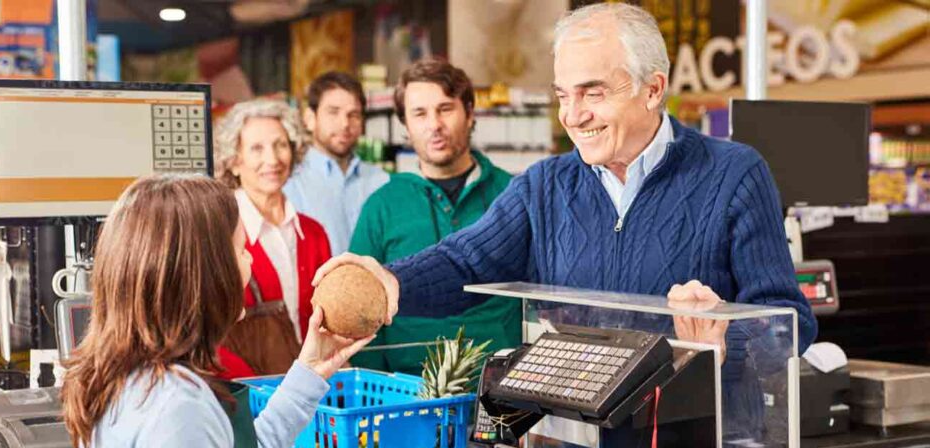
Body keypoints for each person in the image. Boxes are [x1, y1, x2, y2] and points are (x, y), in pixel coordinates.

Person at [317, 3, 816, 365]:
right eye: (562, 95)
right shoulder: (544, 186)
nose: (573, 116)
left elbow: (791, 320)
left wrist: (731, 334)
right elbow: (465, 261)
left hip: (695, 445)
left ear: (653, 89)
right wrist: (392, 280)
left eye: (592, 92)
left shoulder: (734, 175)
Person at [58, 174, 446, 448]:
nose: (250, 264)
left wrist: (312, 369)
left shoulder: (137, 372)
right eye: (242, 249)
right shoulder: (177, 407)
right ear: (208, 273)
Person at [348, 58, 522, 374]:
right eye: (419, 113)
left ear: (470, 113)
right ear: (406, 126)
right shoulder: (381, 206)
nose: (434, 124)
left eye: (445, 109)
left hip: (501, 385)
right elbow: (362, 309)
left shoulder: (513, 194)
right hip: (407, 391)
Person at [214, 99, 333, 378]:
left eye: (281, 145)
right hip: (245, 394)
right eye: (256, 148)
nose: (273, 159)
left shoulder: (313, 233)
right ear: (233, 161)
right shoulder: (217, 233)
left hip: (314, 389)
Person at [283, 71, 389, 255]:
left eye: (353, 114)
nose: (344, 124)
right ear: (310, 119)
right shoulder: (290, 183)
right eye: (333, 112)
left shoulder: (381, 181)